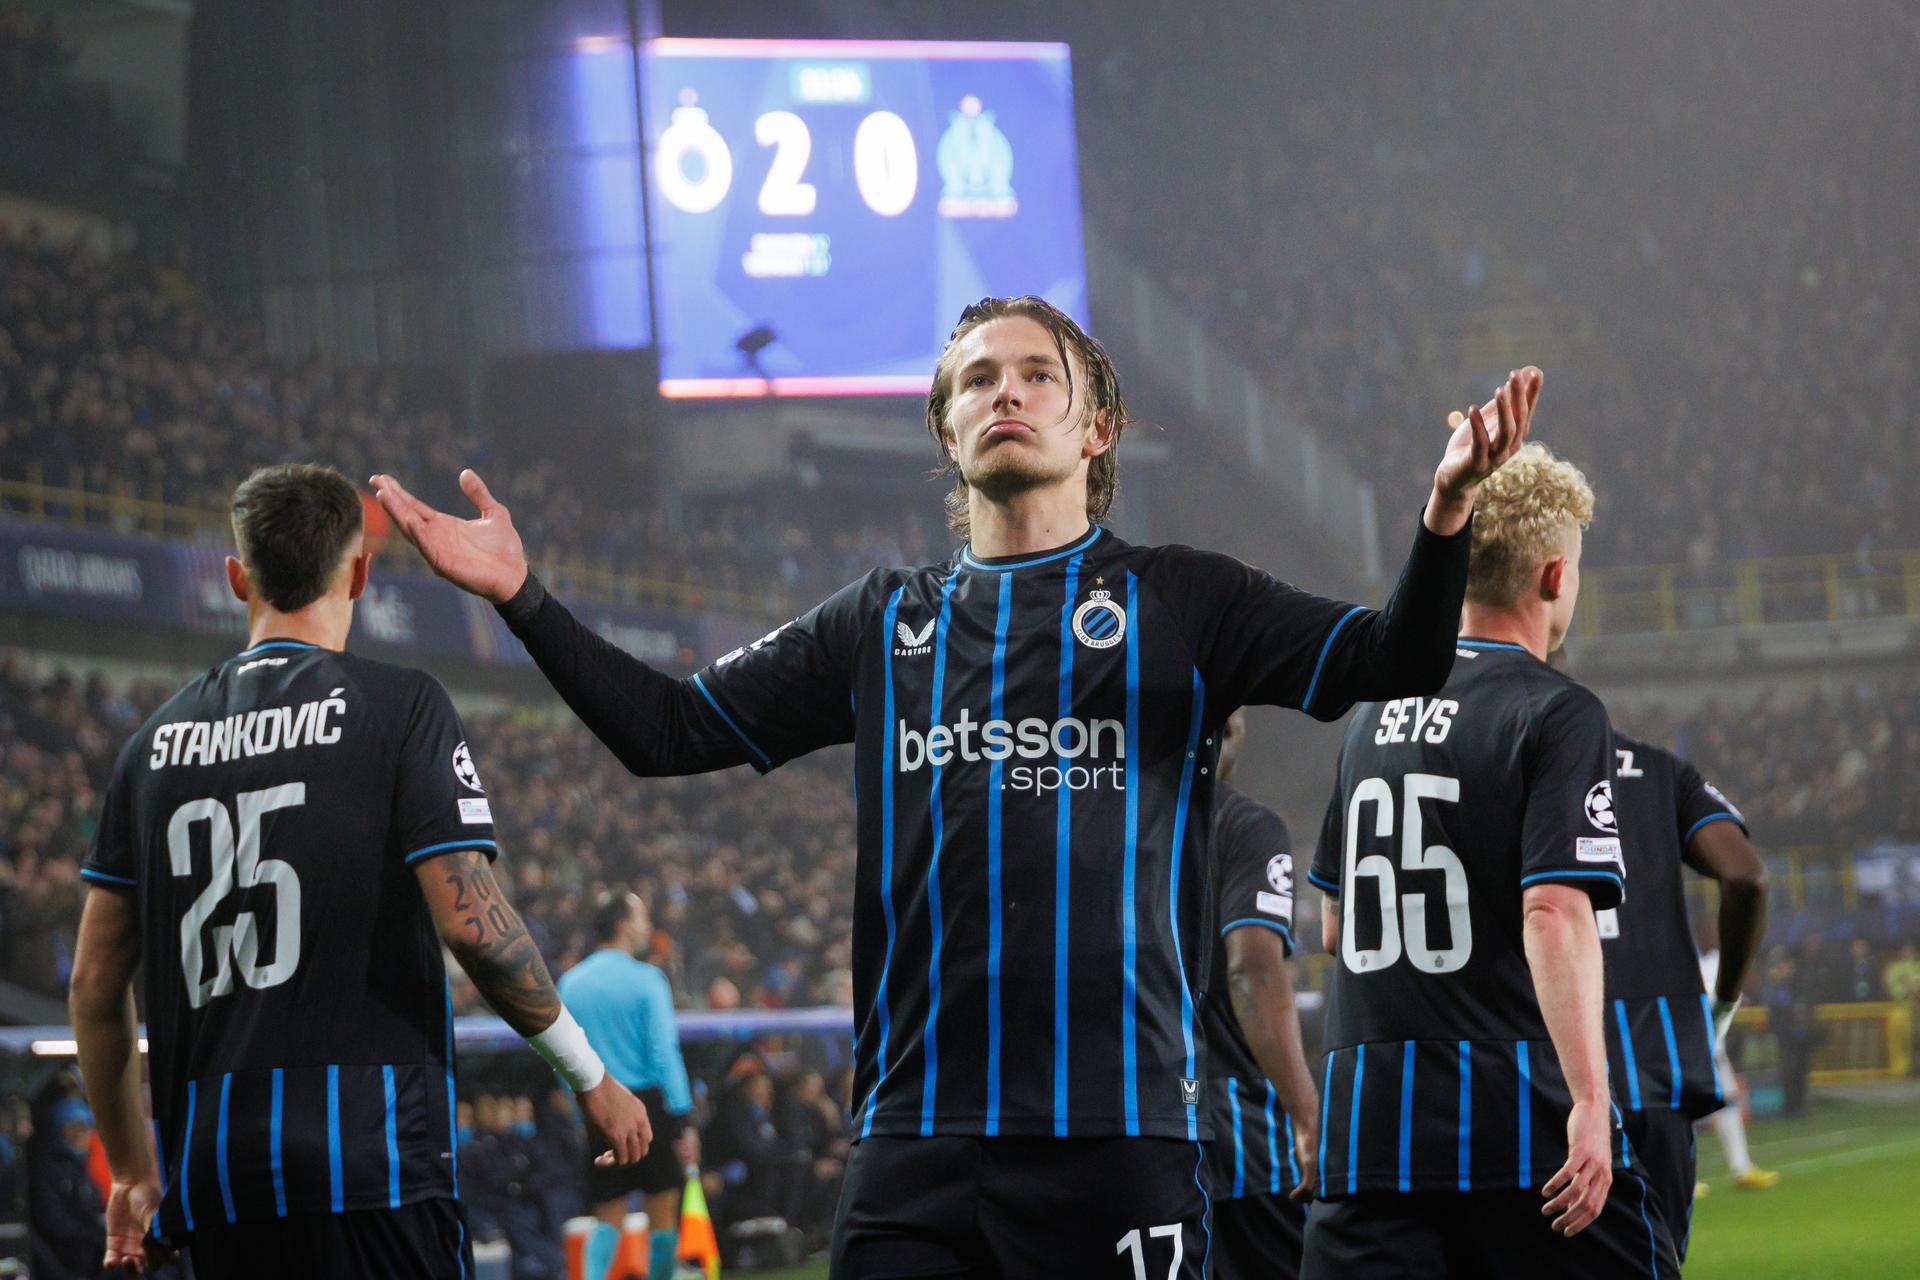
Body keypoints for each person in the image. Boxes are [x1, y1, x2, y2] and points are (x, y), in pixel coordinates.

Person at [374, 297, 1541, 1278]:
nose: (1008, 392)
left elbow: (1398, 657)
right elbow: (666, 728)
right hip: (912, 1150)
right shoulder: (882, 620)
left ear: (1100, 425)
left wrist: (1443, 515)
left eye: (1040, 373)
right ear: (946, 428)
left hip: (1119, 1136)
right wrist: (523, 596)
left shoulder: (1185, 601)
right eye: (978, 378)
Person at [67, 464, 650, 1279]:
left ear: (239, 579)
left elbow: (95, 985)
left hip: (218, 1180)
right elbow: (474, 928)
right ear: (361, 573)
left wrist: (131, 1173)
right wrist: (590, 1076)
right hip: (368, 1164)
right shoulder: (399, 708)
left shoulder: (149, 749)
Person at [1305, 442, 1679, 1277]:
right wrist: (1590, 1099)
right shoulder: (1558, 710)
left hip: (1369, 1130)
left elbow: (1333, 925)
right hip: (1515, 1122)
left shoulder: (1374, 712)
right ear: (1554, 577)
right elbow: (1552, 909)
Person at [1599, 732, 1770, 1258]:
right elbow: (1745, 876)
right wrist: (1722, 1004)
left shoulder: (1490, 761)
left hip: (1535, 1065)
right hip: (1659, 1060)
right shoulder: (1655, 768)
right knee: (1653, 1258)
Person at [1200, 709, 1317, 1280]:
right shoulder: (1244, 826)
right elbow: (1253, 970)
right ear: (1226, 726)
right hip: (1235, 1133)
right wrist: (1306, 1112)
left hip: (1125, 1123)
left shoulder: (1097, 820)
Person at [559, 891, 696, 1280]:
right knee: (663, 1214)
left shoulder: (570, 984)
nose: (647, 927)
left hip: (596, 1102)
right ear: (622, 925)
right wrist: (682, 1118)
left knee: (607, 1213)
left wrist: (579, 1109)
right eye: (640, 918)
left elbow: (563, 1057)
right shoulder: (647, 978)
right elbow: (662, 1053)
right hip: (649, 1103)